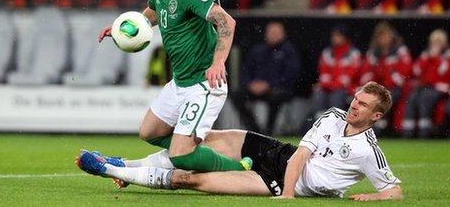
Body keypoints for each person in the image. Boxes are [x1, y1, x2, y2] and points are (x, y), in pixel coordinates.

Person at [77, 82, 403, 202]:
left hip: (272, 180)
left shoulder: (368, 151)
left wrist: (373, 197)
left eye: (362, 105)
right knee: (212, 139)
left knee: (195, 180)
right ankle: (125, 165)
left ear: (376, 116)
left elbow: (394, 190)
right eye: (356, 99)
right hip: (280, 154)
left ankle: (111, 170)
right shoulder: (333, 115)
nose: (353, 105)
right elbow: (301, 154)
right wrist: (290, 193)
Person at [98, 0, 251, 172]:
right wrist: (122, 29)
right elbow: (150, 16)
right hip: (179, 83)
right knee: (149, 131)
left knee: (180, 156)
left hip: (203, 84)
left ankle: (240, 170)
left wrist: (218, 63)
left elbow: (227, 22)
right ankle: (192, 150)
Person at [231, 21, 300, 135]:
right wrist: (250, 84)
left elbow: (291, 74)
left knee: (275, 97)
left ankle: (269, 132)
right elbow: (245, 70)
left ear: (283, 34)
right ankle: (254, 130)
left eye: (276, 32)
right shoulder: (257, 50)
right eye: (270, 32)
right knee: (236, 95)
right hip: (255, 88)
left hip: (278, 89)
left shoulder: (289, 51)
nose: (272, 35)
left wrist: (269, 84)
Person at [402, 29, 450, 138]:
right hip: (427, 87)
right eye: (434, 42)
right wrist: (427, 58)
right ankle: (407, 133)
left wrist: (437, 58)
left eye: (438, 42)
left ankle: (424, 132)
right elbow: (416, 71)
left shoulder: (448, 55)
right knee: (412, 98)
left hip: (441, 88)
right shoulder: (426, 55)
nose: (436, 45)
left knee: (425, 99)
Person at [360, 21, 412, 135]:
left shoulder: (400, 51)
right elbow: (366, 75)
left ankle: (378, 129)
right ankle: (363, 129)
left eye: (386, 35)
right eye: (381, 36)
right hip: (377, 87)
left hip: (396, 88)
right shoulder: (373, 53)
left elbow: (403, 76)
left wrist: (387, 73)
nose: (384, 39)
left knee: (382, 99)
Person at [312, 24, 361, 118]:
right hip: (329, 87)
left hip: (348, 88)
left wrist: (333, 85)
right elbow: (323, 73)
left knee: (337, 95)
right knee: (318, 92)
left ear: (345, 37)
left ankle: (336, 122)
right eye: (334, 36)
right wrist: (328, 85)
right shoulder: (327, 53)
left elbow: (350, 76)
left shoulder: (354, 53)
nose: (335, 38)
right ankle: (320, 122)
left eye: (338, 36)